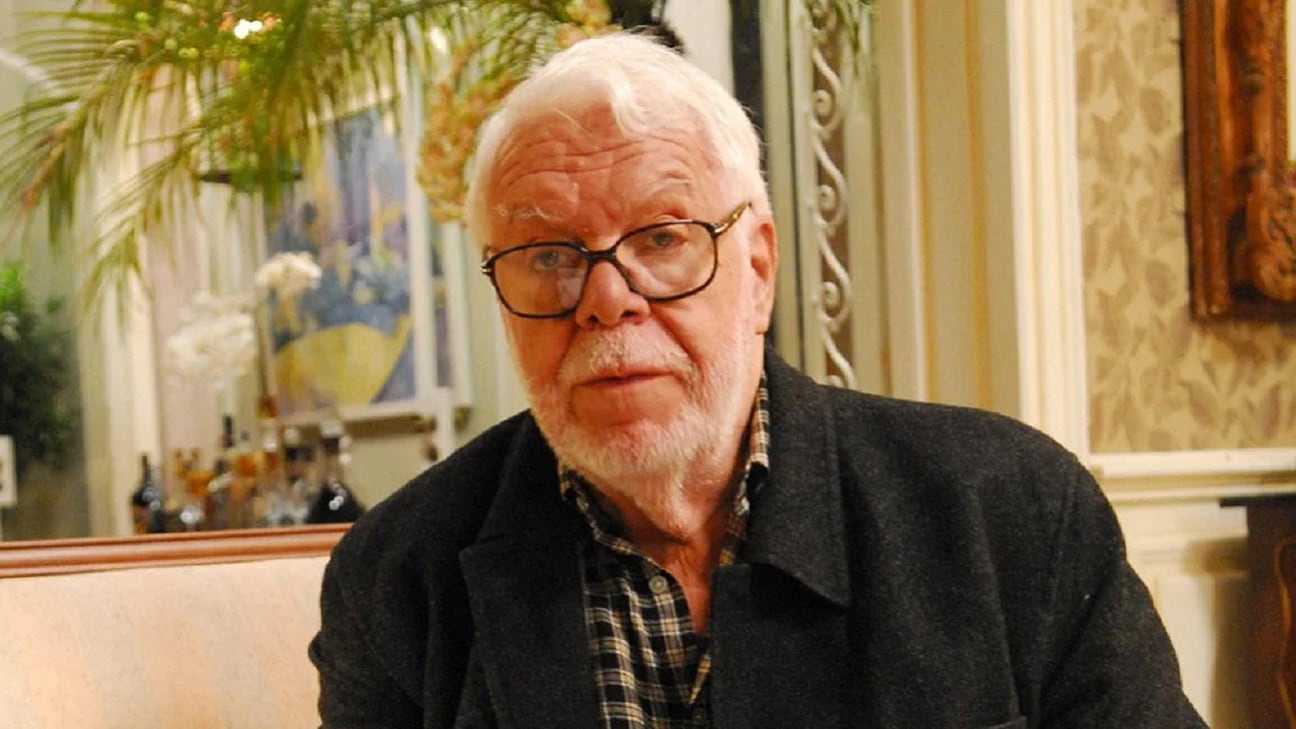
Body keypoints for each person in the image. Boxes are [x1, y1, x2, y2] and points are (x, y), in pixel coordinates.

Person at [310, 32, 1207, 728]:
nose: (607, 300)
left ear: (760, 268)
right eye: (548, 255)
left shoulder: (1011, 511)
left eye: (663, 237)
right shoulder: (399, 579)